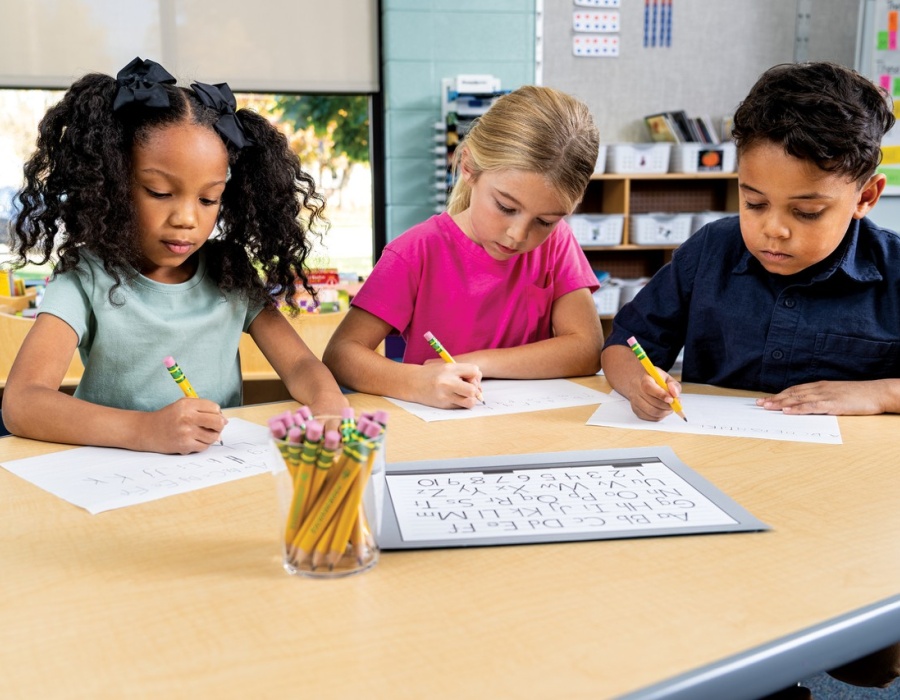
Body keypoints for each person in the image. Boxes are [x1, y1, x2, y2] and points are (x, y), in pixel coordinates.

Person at [602, 61, 900, 692]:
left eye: (808, 210)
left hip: (847, 518)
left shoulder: (895, 271)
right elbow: (624, 344)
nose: (773, 228)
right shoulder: (712, 250)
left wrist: (880, 393)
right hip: (712, 497)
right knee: (699, 637)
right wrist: (635, 380)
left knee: (869, 659)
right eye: (753, 200)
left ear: (866, 197)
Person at [1, 57, 348, 454]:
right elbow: (22, 402)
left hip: (210, 474)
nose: (186, 218)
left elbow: (301, 366)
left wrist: (328, 402)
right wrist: (145, 430)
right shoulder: (86, 276)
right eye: (160, 192)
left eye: (208, 198)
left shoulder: (229, 271)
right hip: (112, 476)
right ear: (113, 184)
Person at [323, 85, 604, 409]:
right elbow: (341, 354)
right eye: (506, 207)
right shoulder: (417, 251)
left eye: (545, 220)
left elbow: (586, 350)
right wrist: (417, 382)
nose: (517, 234)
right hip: (439, 431)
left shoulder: (557, 243)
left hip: (527, 428)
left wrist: (474, 363)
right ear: (469, 167)